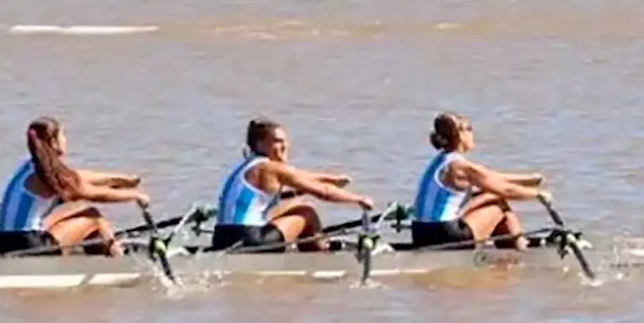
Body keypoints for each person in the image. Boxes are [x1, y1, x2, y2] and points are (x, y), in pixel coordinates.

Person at [0, 116, 150, 257]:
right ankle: (119, 261)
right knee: (93, 217)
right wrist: (135, 196)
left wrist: (122, 180)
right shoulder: (47, 175)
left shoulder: (32, 166)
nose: (66, 140)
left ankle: (100, 250)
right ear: (53, 142)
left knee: (75, 210)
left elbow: (79, 176)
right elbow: (93, 194)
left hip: (2, 240)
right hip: (27, 246)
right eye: (63, 135)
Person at [213, 118, 375, 253]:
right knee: (307, 213)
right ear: (260, 144)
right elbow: (323, 192)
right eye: (277, 141)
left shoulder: (247, 166)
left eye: (285, 141)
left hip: (221, 238)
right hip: (250, 240)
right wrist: (359, 199)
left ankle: (311, 247)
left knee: (296, 206)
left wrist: (330, 179)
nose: (285, 147)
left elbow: (301, 176)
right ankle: (321, 252)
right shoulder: (271, 168)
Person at [411, 112, 549, 251]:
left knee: (489, 196)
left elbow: (492, 177)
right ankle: (521, 249)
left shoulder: (441, 160)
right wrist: (538, 194)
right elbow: (505, 190)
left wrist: (530, 179)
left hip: (419, 233)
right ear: (458, 135)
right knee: (499, 205)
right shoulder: (460, 166)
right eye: (469, 128)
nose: (472, 133)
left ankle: (512, 245)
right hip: (445, 235)